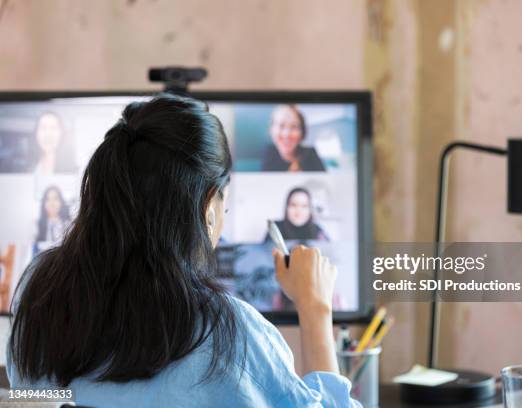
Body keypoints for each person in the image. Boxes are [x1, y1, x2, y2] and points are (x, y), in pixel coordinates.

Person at [8, 94, 359, 407]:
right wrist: (315, 308)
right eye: (225, 200)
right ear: (208, 208)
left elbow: (33, 396)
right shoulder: (228, 338)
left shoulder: (37, 293)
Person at [261, 105, 326, 172]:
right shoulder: (269, 153)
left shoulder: (311, 154)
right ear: (271, 130)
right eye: (281, 126)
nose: (287, 134)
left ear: (302, 132)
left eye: (294, 127)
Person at [264, 187, 329, 242]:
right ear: (286, 207)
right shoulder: (276, 229)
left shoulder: (317, 230)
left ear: (310, 209)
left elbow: (330, 252)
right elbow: (264, 253)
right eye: (293, 205)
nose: (298, 210)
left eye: (304, 206)